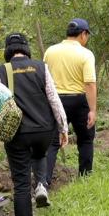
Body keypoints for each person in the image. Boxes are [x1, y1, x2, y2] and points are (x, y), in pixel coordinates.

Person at [0, 32, 69, 216]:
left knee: (21, 183)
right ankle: (42, 185)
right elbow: (53, 99)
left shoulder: (0, 71)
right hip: (44, 130)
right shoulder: (41, 67)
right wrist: (63, 127)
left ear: (7, 50)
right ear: (26, 49)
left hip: (18, 134)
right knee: (40, 153)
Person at [42, 19, 98, 184]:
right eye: (87, 35)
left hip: (55, 100)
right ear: (83, 34)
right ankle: (85, 179)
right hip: (79, 101)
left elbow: (44, 78)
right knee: (85, 140)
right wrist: (92, 110)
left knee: (52, 143)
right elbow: (89, 83)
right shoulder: (86, 54)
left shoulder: (50, 51)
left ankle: (44, 183)